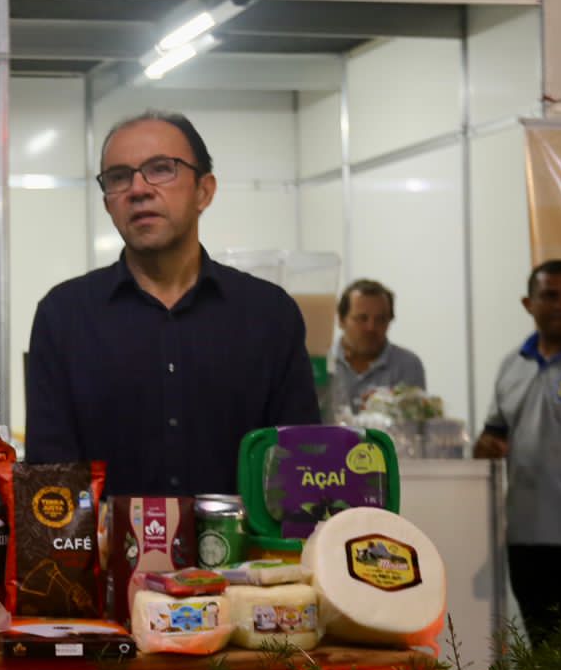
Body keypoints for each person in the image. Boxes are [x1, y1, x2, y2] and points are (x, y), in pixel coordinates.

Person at [25, 111, 319, 496]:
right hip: (103, 538)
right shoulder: (64, 317)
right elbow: (50, 479)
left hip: (243, 538)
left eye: (161, 169)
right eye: (118, 177)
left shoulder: (269, 315)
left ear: (204, 191)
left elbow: (301, 468)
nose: (138, 189)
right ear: (108, 203)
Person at [472, 259, 561, 646]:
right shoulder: (511, 366)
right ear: (528, 303)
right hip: (527, 535)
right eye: (551, 295)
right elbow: (493, 435)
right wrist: (484, 446)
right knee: (544, 649)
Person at [327, 279, 428, 415]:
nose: (371, 327)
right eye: (362, 318)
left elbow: (416, 422)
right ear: (341, 320)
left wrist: (387, 406)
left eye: (381, 319)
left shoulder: (408, 365)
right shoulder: (319, 365)